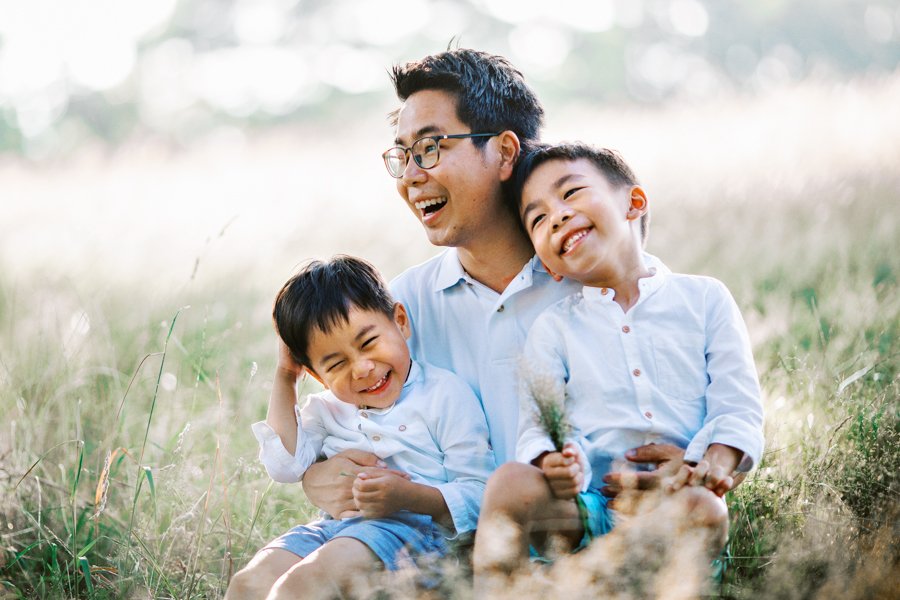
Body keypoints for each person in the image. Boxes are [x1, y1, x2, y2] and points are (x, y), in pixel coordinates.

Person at [227, 48, 691, 596]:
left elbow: (694, 401)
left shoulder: (594, 283)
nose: (412, 177)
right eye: (402, 156)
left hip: (566, 550)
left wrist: (692, 455)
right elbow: (354, 428)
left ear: (504, 151)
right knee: (255, 585)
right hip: (432, 545)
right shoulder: (402, 309)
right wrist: (318, 477)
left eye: (430, 148)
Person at [472, 143, 765, 582]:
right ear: (549, 266)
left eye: (570, 193)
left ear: (634, 202)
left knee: (704, 508)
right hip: (589, 506)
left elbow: (737, 406)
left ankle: (579, 583)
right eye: (538, 219)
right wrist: (554, 459)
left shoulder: (704, 299)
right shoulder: (553, 328)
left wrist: (712, 466)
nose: (557, 216)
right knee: (509, 482)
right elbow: (538, 423)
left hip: (678, 504)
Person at [227, 256, 494, 599]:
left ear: (400, 322)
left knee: (302, 586)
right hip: (332, 529)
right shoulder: (326, 409)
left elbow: (479, 494)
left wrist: (410, 497)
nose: (363, 368)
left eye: (368, 343)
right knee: (249, 584)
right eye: (337, 364)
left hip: (414, 536)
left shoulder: (444, 395)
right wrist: (284, 376)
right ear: (317, 376)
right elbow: (284, 466)